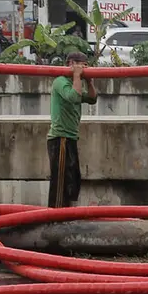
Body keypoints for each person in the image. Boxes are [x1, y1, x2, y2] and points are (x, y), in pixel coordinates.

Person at [47, 51, 97, 207]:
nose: (85, 68)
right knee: (60, 181)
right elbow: (74, 97)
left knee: (72, 179)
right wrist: (76, 76)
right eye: (82, 64)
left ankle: (66, 212)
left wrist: (89, 82)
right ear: (72, 64)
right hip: (60, 137)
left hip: (70, 137)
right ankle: (55, 214)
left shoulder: (77, 84)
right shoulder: (61, 82)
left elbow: (92, 99)